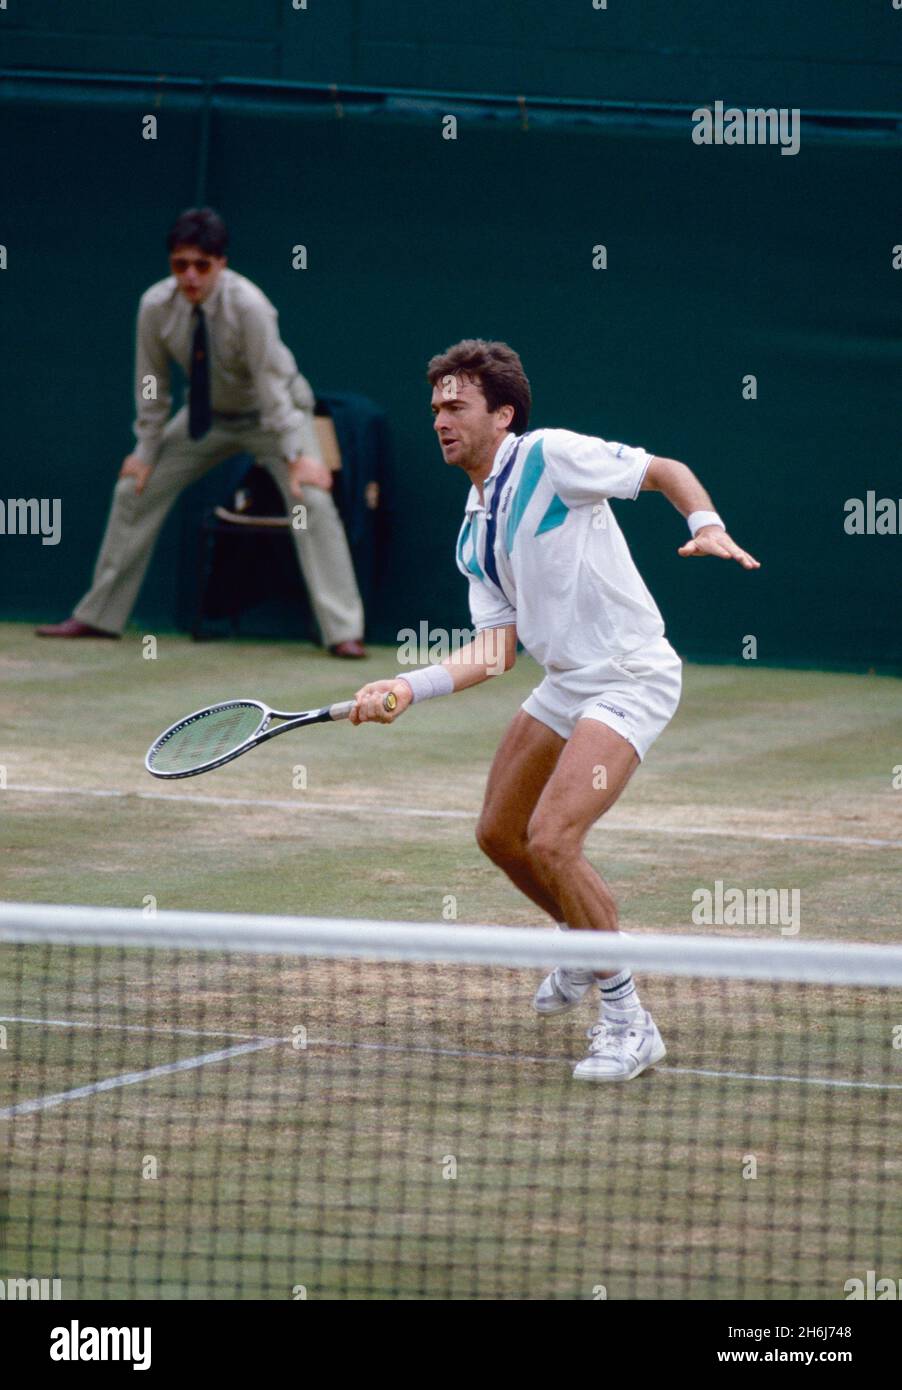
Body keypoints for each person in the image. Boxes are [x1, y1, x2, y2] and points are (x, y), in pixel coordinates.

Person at [350, 338, 760, 1081]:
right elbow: (493, 653)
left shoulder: (549, 456)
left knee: (551, 840)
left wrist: (704, 524)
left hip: (630, 676)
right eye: (435, 406)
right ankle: (583, 938)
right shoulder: (474, 530)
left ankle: (629, 1022)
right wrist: (406, 688)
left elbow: (663, 471)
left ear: (502, 414)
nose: (440, 419)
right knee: (498, 833)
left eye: (457, 405)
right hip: (566, 682)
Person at [37, 207, 366, 657]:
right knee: (133, 489)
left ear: (221, 264)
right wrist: (146, 450)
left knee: (313, 501)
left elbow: (272, 385)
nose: (190, 276)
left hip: (276, 416)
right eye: (180, 265)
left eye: (201, 265)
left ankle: (343, 630)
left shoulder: (249, 305)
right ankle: (98, 616)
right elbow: (152, 384)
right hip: (205, 417)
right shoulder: (154, 305)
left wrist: (298, 456)